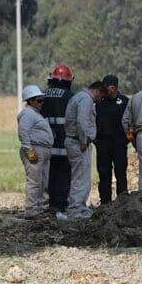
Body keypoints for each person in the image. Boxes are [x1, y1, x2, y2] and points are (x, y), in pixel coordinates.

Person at [63, 81, 104, 219]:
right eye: (101, 96)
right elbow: (82, 121)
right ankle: (76, 210)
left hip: (73, 140)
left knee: (78, 176)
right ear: (98, 91)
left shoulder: (77, 96)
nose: (100, 100)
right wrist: (84, 140)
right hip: (78, 142)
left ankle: (78, 207)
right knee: (81, 178)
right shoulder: (86, 100)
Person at [40, 64, 74, 213]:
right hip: (65, 143)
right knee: (64, 175)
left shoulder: (44, 95)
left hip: (48, 144)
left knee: (51, 175)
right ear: (69, 81)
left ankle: (52, 204)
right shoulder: (70, 96)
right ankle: (61, 205)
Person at [17, 85, 54, 218]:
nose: (41, 103)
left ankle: (42, 207)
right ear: (30, 101)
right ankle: (32, 210)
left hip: (43, 150)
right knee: (34, 181)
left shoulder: (35, 113)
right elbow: (23, 133)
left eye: (42, 100)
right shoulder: (28, 113)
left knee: (43, 181)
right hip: (34, 149)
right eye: (39, 100)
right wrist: (29, 150)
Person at [95, 75, 129, 205]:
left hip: (120, 143)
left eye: (106, 88)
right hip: (102, 143)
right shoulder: (98, 102)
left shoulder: (125, 102)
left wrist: (127, 139)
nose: (103, 91)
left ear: (113, 88)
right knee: (104, 174)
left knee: (121, 172)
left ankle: (123, 201)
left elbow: (130, 122)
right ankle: (105, 202)